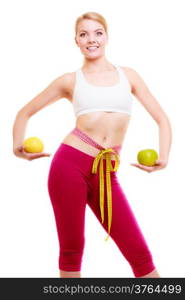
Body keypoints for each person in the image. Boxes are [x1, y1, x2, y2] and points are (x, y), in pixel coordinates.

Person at [13, 11, 172, 278]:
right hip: (69, 165)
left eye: (97, 33)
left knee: (140, 255)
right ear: (76, 40)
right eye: (83, 34)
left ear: (107, 37)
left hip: (106, 173)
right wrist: (18, 147)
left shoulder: (129, 76)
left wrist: (164, 157)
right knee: (72, 251)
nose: (91, 39)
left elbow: (163, 120)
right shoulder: (69, 80)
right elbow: (24, 113)